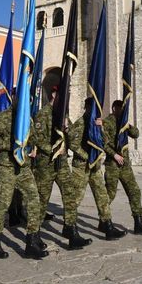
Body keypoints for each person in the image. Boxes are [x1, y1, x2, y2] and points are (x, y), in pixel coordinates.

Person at [0, 105, 48, 260]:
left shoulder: (27, 118)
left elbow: (33, 138)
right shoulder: (3, 116)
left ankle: (31, 241)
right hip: (7, 166)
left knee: (34, 200)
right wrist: (11, 144)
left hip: (23, 166)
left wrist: (32, 142)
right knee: (2, 204)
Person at [32, 88, 92, 249]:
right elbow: (37, 138)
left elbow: (72, 137)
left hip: (62, 163)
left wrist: (67, 129)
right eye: (61, 95)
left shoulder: (63, 115)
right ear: (54, 95)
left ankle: (71, 230)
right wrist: (53, 149)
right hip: (46, 164)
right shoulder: (43, 114)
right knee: (42, 200)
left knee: (70, 194)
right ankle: (34, 235)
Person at [67, 98, 126, 241]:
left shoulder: (95, 123)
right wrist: (86, 156)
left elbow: (105, 141)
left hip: (95, 166)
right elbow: (73, 144)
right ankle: (69, 227)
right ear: (87, 107)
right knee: (76, 198)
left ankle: (107, 225)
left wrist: (101, 128)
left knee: (102, 196)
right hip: (82, 167)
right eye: (92, 108)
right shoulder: (80, 123)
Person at [104, 100, 142, 235]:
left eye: (123, 109)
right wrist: (114, 155)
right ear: (114, 108)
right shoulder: (107, 122)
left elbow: (136, 134)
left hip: (125, 165)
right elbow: (103, 143)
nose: (121, 111)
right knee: (109, 194)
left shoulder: (124, 123)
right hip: (112, 164)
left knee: (134, 191)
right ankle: (104, 220)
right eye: (119, 108)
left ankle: (138, 223)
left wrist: (128, 125)